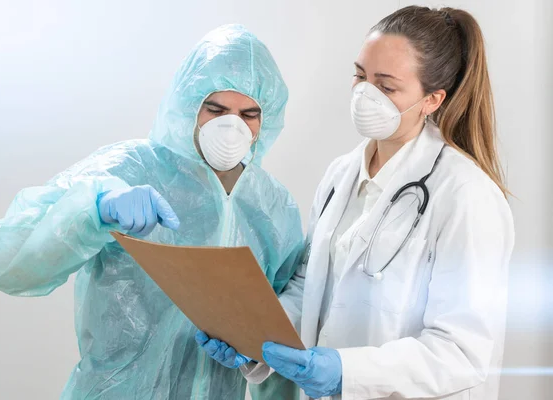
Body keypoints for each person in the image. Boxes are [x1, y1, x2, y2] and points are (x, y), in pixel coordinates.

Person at [198, 7, 515, 400]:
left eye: (387, 86)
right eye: (361, 76)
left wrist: (347, 373)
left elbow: (462, 352)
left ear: (432, 99)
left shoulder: (466, 194)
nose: (365, 94)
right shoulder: (340, 174)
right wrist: (253, 338)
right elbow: (309, 285)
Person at [0, 24, 303, 400]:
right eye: (215, 109)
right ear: (188, 104)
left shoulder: (274, 207)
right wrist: (93, 211)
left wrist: (258, 359)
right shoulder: (129, 168)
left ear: (267, 120)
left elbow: (281, 344)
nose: (232, 127)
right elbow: (9, 264)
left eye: (249, 114)